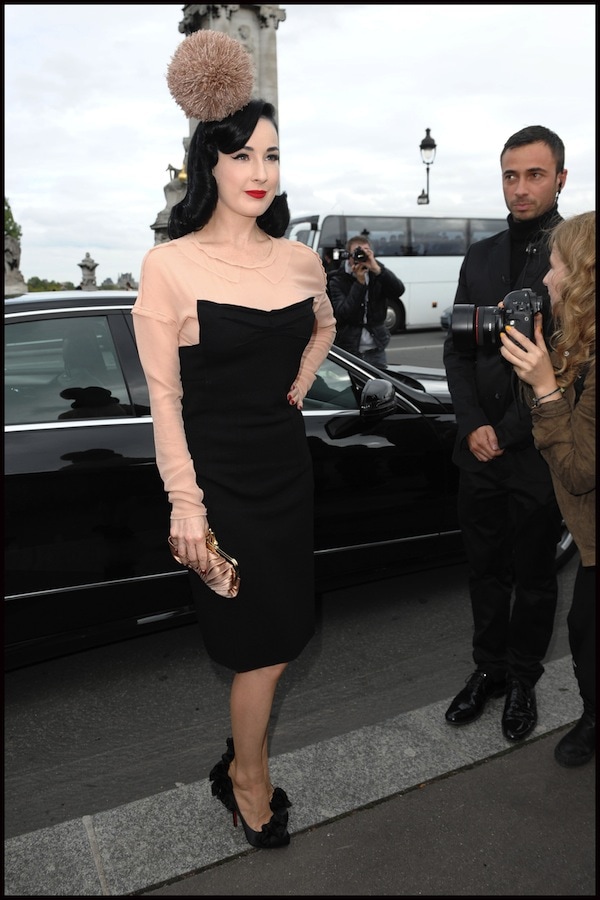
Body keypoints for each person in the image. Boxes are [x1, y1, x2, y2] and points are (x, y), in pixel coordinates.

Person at [132, 30, 336, 849]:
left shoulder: (297, 261)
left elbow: (322, 326)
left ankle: (238, 759)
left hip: (287, 473)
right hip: (219, 487)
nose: (261, 173)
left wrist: (302, 377)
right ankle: (245, 775)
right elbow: (164, 401)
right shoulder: (169, 266)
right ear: (208, 163)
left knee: (287, 636)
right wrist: (186, 506)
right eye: (244, 155)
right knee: (256, 646)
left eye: (274, 157)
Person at [442, 125, 567, 741]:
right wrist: (472, 427)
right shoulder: (481, 255)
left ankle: (523, 678)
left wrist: (506, 430)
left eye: (534, 175)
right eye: (511, 176)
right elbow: (457, 352)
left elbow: (570, 364)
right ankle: (487, 671)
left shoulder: (576, 255)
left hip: (537, 450)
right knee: (484, 571)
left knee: (535, 577)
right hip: (480, 451)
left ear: (560, 179)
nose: (520, 189)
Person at [498, 211, 595, 766]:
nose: (547, 280)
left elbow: (581, 471)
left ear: (584, 276)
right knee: (584, 629)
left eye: (557, 267)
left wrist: (544, 389)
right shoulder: (580, 339)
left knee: (586, 630)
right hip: (588, 538)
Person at [327, 234, 405, 365]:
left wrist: (378, 270)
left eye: (365, 251)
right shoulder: (337, 279)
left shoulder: (377, 273)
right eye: (358, 251)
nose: (361, 255)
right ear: (349, 255)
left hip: (376, 349)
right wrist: (359, 283)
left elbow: (398, 291)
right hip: (349, 349)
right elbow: (343, 313)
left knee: (379, 384)